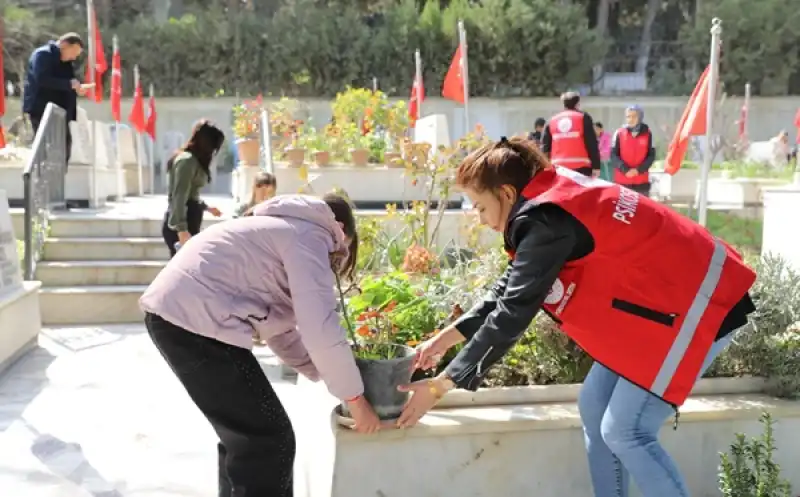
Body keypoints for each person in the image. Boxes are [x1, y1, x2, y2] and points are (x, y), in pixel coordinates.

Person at [397, 136, 757, 497]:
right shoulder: (548, 198)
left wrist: (438, 386)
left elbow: (512, 313)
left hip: (702, 306)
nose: (479, 219)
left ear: (506, 193)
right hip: (669, 305)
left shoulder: (544, 220)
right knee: (595, 406)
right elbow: (509, 290)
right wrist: (441, 341)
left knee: (626, 431)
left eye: (479, 206)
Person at [140, 192, 382, 497]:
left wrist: (327, 374)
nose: (336, 261)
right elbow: (319, 325)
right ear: (342, 233)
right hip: (194, 320)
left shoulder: (279, 231)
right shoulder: (311, 236)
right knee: (269, 441)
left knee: (247, 439)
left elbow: (279, 332)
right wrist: (356, 399)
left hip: (179, 316)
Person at [22, 33, 86, 168]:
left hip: (61, 111)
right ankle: (40, 179)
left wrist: (76, 88)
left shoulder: (66, 63)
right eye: (73, 52)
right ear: (64, 45)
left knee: (64, 148)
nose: (74, 57)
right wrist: (69, 84)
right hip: (41, 110)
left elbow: (67, 82)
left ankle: (58, 181)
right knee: (45, 147)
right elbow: (43, 80)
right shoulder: (43, 55)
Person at [162, 120, 225, 258]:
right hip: (183, 224)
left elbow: (190, 194)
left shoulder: (193, 160)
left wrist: (205, 207)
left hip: (190, 219)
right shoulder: (187, 161)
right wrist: (181, 229)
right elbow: (178, 196)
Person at [541, 91, 602, 177]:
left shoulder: (551, 121)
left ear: (563, 104)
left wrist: (544, 169)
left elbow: (544, 148)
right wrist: (596, 166)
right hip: (581, 169)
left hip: (558, 169)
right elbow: (591, 143)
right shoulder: (583, 118)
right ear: (577, 104)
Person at [611, 105, 655, 196]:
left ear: (640, 117)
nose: (630, 119)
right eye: (628, 116)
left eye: (634, 116)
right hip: (622, 181)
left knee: (641, 209)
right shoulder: (619, 133)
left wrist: (638, 170)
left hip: (641, 181)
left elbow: (651, 156)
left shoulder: (648, 133)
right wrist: (625, 170)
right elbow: (613, 155)